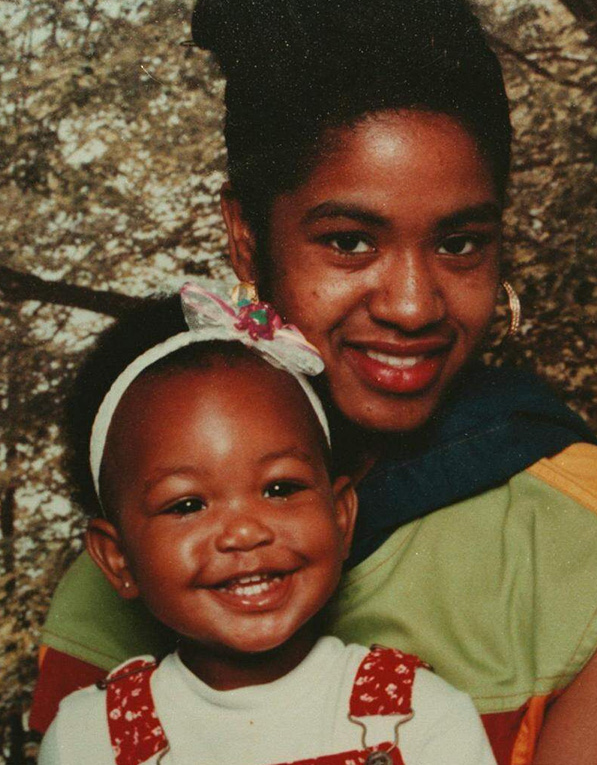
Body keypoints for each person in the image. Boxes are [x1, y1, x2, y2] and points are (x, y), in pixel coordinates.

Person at [31, 0, 597, 763]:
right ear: (245, 235)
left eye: (461, 241)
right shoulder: (141, 547)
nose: (415, 304)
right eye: (349, 240)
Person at [38, 282, 496, 765]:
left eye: (280, 489)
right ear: (118, 558)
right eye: (187, 505)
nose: (244, 532)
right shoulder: (88, 739)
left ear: (340, 515)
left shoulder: (419, 715)